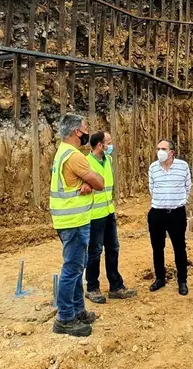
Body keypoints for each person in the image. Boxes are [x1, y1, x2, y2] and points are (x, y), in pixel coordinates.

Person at [49, 113, 105, 337]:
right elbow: (99, 183)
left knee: (77, 267)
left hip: (68, 220)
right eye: (85, 129)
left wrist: (83, 182)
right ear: (76, 132)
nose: (86, 132)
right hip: (73, 222)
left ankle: (78, 310)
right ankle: (65, 318)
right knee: (72, 270)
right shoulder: (74, 156)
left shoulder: (62, 152)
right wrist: (88, 181)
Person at [85, 131, 136, 304]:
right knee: (95, 252)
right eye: (109, 142)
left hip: (108, 212)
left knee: (113, 248)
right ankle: (92, 287)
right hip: (94, 215)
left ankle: (116, 286)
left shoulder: (109, 160)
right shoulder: (86, 163)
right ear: (100, 145)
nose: (111, 145)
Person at [147, 139, 192, 295]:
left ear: (172, 152)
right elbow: (151, 189)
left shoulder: (183, 167)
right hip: (157, 213)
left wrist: (180, 201)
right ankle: (160, 278)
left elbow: (188, 187)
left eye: (163, 148)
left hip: (176, 213)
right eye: (158, 148)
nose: (160, 151)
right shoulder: (153, 168)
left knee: (179, 248)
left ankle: (182, 281)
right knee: (157, 247)